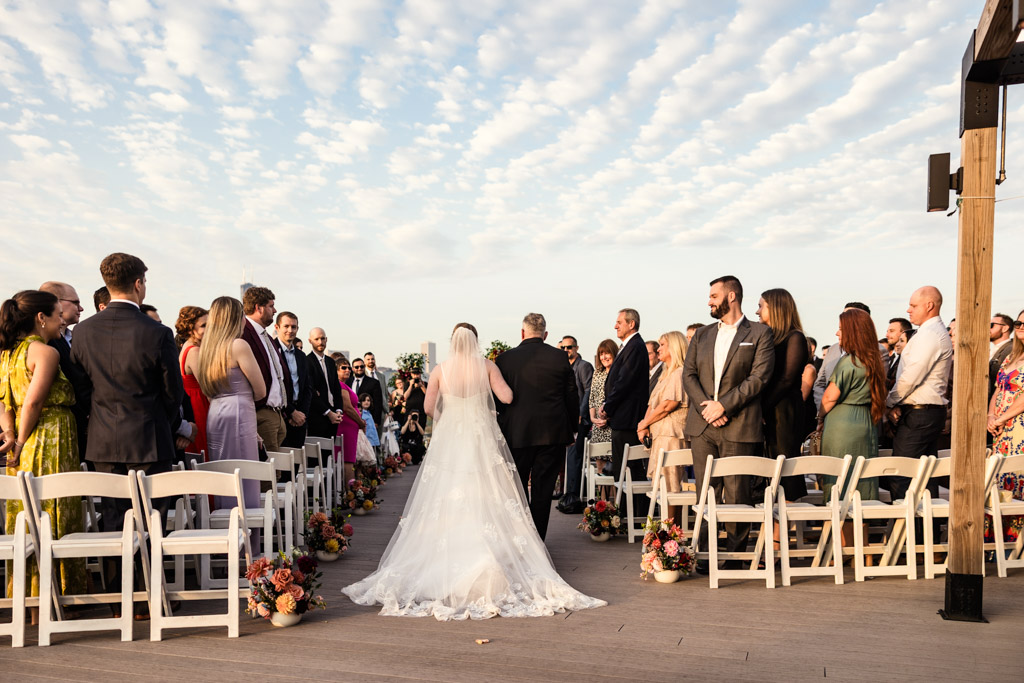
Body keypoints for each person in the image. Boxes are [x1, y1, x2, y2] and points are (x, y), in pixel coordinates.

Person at [342, 323, 605, 620]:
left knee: (447, 494)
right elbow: (506, 398)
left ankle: (447, 558)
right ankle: (491, 555)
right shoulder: (487, 366)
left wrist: (450, 418)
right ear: (476, 342)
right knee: (488, 492)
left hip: (451, 441)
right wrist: (487, 406)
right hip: (481, 439)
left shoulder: (441, 369)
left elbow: (429, 407)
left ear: (453, 342)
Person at [70, 253, 188, 519]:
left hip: (103, 439)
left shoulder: (83, 331)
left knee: (113, 521)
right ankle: (148, 563)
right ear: (138, 284)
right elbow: (173, 392)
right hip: (150, 438)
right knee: (151, 520)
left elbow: (81, 388)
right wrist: (159, 421)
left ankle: (117, 563)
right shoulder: (158, 332)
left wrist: (100, 415)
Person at [683, 275, 774, 569]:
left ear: (731, 296)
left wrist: (724, 405)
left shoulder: (760, 333)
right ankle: (705, 557)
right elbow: (689, 375)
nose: (709, 301)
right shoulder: (702, 334)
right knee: (705, 492)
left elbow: (758, 378)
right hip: (702, 426)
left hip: (739, 425)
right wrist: (707, 407)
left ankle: (735, 559)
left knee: (738, 494)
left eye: (713, 295)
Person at [2, 290, 87, 602]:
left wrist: (11, 435)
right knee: (55, 511)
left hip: (21, 442)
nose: (61, 321)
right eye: (56, 315)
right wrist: (23, 439)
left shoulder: (7, 353)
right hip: (51, 437)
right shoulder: (45, 352)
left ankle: (26, 595)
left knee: (24, 513)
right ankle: (58, 595)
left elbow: (4, 401)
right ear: (41, 318)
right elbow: (34, 401)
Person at [495, 314, 578, 540]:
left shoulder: (504, 359)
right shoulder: (559, 358)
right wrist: (572, 429)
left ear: (522, 333)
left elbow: (498, 401)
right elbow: (571, 395)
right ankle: (538, 542)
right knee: (542, 492)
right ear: (545, 335)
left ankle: (519, 540)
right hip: (552, 434)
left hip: (517, 434)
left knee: (517, 490)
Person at [820, 308, 887, 549]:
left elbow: (828, 398)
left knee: (840, 481)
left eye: (841, 328)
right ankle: (861, 546)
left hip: (842, 425)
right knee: (862, 484)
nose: (837, 332)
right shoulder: (874, 361)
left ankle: (843, 547)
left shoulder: (847, 362)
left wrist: (819, 417)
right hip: (866, 424)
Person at [196, 297, 266, 511]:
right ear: (235, 318)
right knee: (243, 475)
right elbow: (261, 390)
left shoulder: (206, 350)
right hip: (239, 413)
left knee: (222, 472)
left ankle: (224, 532)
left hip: (216, 413)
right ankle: (246, 536)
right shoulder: (238, 345)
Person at [885, 286, 952, 502]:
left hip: (921, 413)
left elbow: (911, 378)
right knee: (924, 477)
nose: (908, 310)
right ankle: (924, 533)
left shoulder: (930, 334)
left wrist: (888, 402)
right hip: (923, 411)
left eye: (913, 306)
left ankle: (910, 533)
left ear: (929, 305)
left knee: (902, 474)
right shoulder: (926, 332)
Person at [756, 288, 809, 501]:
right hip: (770, 408)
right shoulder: (769, 337)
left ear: (776, 308)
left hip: (784, 410)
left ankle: (782, 529)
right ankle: (773, 523)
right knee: (769, 467)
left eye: (761, 306)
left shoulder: (794, 337)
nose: (757, 311)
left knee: (785, 465)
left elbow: (787, 379)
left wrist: (762, 407)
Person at [636, 331, 688, 521]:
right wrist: (644, 426)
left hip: (671, 436)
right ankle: (666, 529)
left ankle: (670, 532)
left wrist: (644, 423)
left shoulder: (679, 373)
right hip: (660, 436)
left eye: (663, 345)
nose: (659, 349)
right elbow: (653, 404)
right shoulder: (665, 375)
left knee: (671, 484)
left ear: (674, 347)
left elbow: (667, 405)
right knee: (662, 484)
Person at [599, 309, 649, 501]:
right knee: (626, 469)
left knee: (629, 471)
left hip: (627, 419)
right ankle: (629, 515)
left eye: (619, 322)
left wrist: (607, 407)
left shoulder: (635, 347)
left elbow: (624, 382)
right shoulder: (628, 346)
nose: (615, 326)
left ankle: (633, 517)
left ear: (631, 324)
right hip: (622, 417)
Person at [39, 281, 91, 463]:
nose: (81, 308)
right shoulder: (43, 346)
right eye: (75, 302)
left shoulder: (74, 338)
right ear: (56, 302)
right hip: (55, 432)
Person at [240, 286, 291, 453]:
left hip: (277, 412)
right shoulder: (244, 333)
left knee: (276, 470)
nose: (275, 310)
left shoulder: (266, 336)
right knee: (267, 473)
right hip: (261, 411)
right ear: (258, 308)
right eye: (271, 306)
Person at [987, 309, 1024, 538]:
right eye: (1019, 322)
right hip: (1000, 429)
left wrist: (1002, 417)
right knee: (1000, 480)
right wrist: (991, 416)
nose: (1021, 327)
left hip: (1018, 427)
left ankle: (1017, 544)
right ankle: (997, 544)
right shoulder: (1011, 356)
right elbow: (998, 389)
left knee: (1018, 478)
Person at [813, 302, 872, 411]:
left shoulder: (876, 351)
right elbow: (819, 383)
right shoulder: (832, 350)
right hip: (828, 413)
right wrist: (822, 410)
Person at [557, 335, 593, 513]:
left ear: (576, 348)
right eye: (563, 348)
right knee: (567, 458)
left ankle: (573, 496)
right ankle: (567, 494)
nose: (566, 351)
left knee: (574, 457)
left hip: (579, 419)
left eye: (569, 347)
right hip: (565, 418)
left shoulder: (584, 366)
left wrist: (580, 412)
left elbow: (588, 390)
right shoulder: (563, 366)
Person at [175, 305, 209, 458]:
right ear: (190, 330)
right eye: (203, 325)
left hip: (196, 400)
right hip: (198, 404)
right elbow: (207, 386)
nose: (208, 329)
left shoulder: (192, 347)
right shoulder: (194, 351)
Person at [275, 312, 310, 449]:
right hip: (281, 416)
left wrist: (302, 415)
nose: (290, 330)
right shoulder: (272, 351)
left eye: (294, 327)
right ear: (277, 327)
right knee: (280, 465)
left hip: (300, 418)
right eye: (286, 326)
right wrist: (291, 412)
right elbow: (275, 386)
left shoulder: (301, 356)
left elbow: (307, 388)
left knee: (295, 464)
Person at [332, 353, 364, 487]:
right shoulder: (340, 385)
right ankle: (350, 492)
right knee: (347, 460)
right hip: (346, 426)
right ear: (336, 371)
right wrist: (361, 422)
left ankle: (350, 491)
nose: (348, 370)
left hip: (351, 427)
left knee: (349, 459)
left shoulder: (346, 385)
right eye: (343, 368)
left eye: (348, 368)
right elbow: (348, 408)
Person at [306, 327, 343, 440]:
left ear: (326, 339)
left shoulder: (331, 362)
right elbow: (311, 391)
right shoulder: (307, 361)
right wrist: (328, 413)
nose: (320, 342)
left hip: (334, 416)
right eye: (316, 339)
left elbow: (336, 389)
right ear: (310, 341)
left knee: (330, 454)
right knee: (317, 455)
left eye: (322, 338)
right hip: (317, 416)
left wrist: (338, 411)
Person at [588, 339, 618, 475]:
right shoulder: (597, 373)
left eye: (607, 353)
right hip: (597, 427)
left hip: (612, 425)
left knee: (614, 468)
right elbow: (592, 398)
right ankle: (602, 497)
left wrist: (608, 419)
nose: (604, 357)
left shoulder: (619, 373)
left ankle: (613, 497)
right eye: (601, 354)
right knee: (600, 467)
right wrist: (593, 418)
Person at [351, 358, 383, 429]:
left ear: (364, 367)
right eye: (357, 367)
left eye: (362, 366)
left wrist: (376, 422)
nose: (359, 368)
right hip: (351, 418)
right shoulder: (348, 381)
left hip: (368, 420)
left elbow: (378, 403)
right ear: (353, 369)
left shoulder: (374, 382)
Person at [990, 313, 1015, 400]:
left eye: (991, 325)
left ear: (1005, 328)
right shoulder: (991, 349)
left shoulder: (1011, 349)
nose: (987, 328)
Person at [885, 317, 913, 390]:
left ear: (904, 332)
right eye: (887, 331)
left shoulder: (909, 360)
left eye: (891, 331)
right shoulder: (889, 358)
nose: (887, 335)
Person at [363, 352, 390, 417]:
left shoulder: (381, 376)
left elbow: (385, 393)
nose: (371, 361)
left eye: (372, 359)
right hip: (366, 409)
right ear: (364, 361)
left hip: (381, 411)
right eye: (368, 359)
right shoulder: (362, 375)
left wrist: (387, 410)